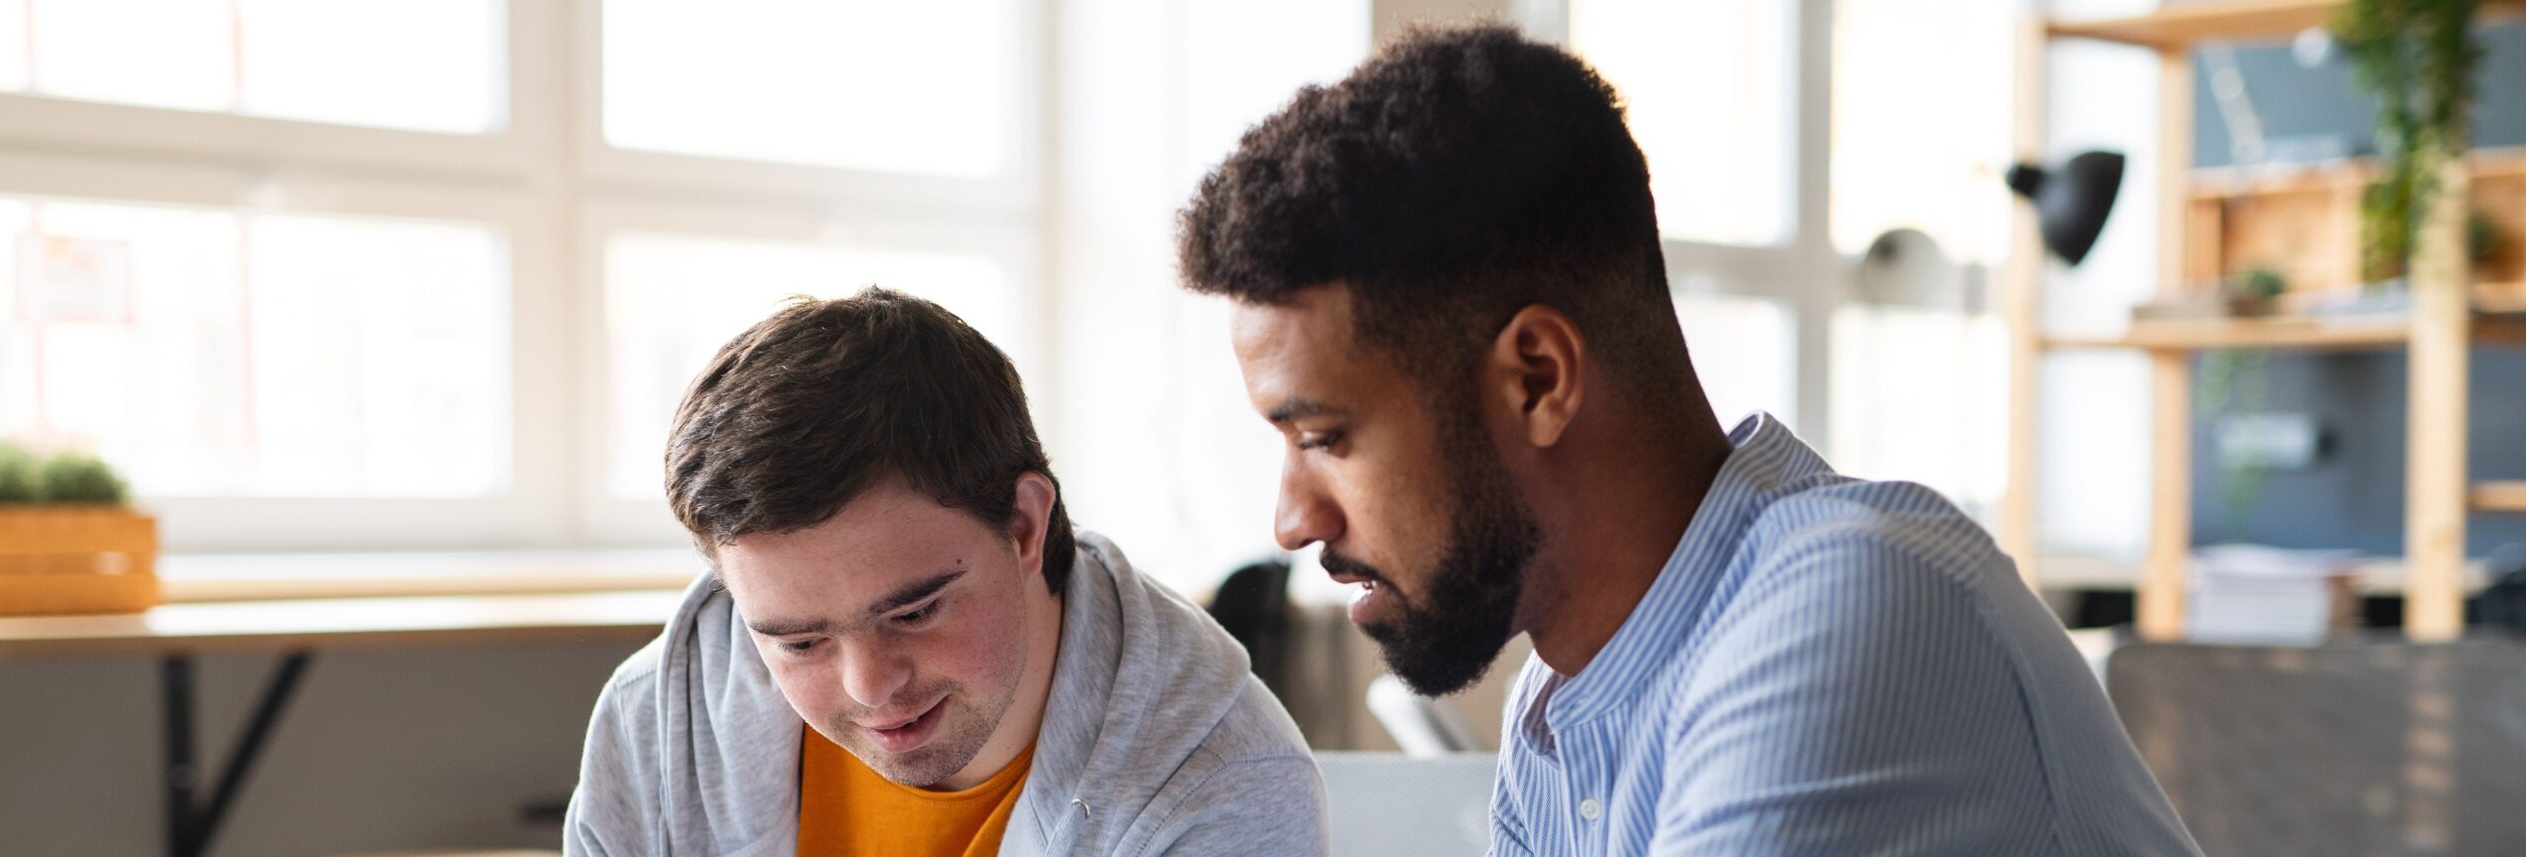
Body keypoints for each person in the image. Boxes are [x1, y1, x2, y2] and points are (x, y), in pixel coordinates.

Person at [1178, 23, 2202, 856]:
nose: (1290, 517)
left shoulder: (1846, 600)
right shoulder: (1560, 713)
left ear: (1537, 377)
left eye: (1325, 435)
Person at [563, 288, 1326, 856]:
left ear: (1024, 526)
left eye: (914, 611)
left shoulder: (1223, 785)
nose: (870, 687)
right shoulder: (654, 726)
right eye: (799, 642)